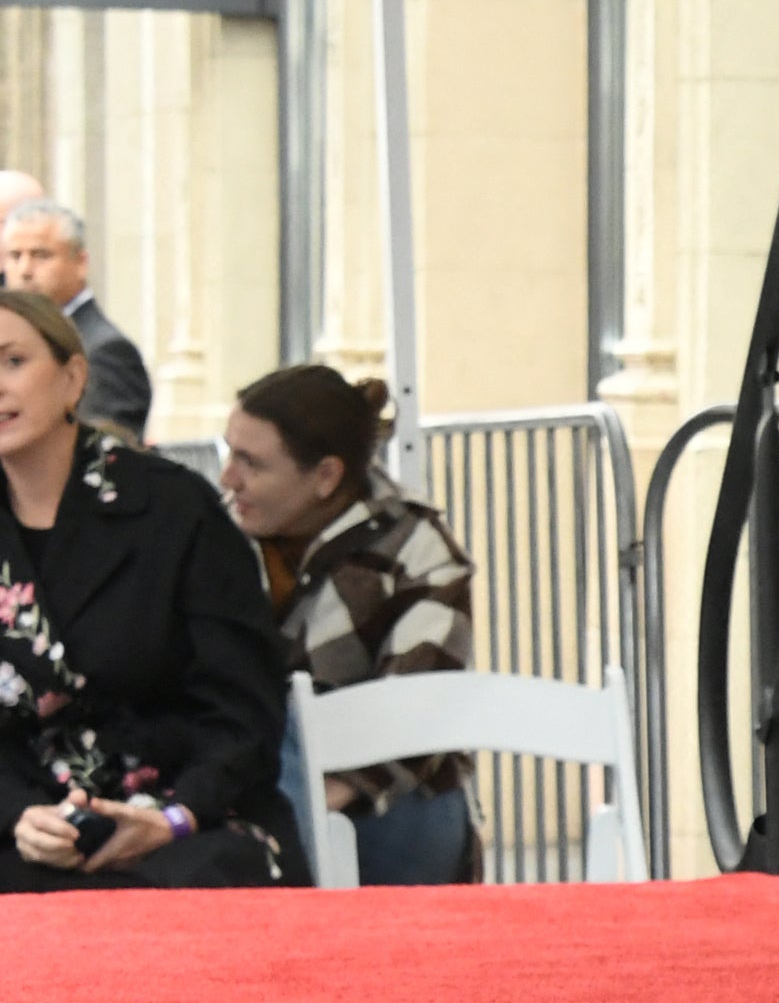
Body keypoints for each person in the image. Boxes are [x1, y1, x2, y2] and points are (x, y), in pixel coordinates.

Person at [0, 290, 303, 889]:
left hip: (188, 818)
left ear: (73, 377)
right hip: (27, 824)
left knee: (200, 889)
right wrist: (18, 816)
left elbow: (244, 709)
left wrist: (174, 817)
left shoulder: (173, 509)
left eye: (12, 361)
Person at [220, 363, 481, 885]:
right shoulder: (221, 537)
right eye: (229, 452)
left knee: (295, 727)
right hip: (249, 791)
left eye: (251, 463)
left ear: (326, 477)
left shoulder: (417, 546)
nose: (228, 478)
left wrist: (317, 797)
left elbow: (421, 707)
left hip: (386, 809)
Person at [2, 200, 151, 440]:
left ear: (81, 263)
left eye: (41, 255)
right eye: (15, 256)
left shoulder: (106, 351)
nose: (25, 269)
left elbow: (99, 453)